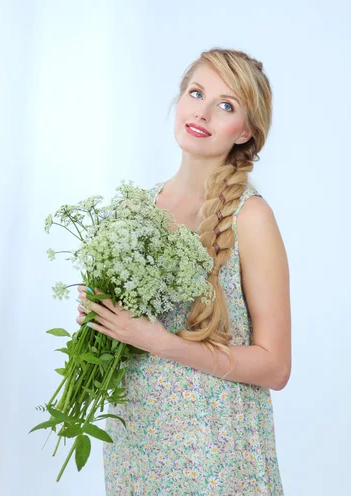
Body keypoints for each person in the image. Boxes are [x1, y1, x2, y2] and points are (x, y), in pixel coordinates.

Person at [76, 47, 291, 495]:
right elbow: (125, 331)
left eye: (226, 106)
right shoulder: (136, 208)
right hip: (136, 441)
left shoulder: (249, 218)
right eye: (196, 93)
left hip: (215, 453)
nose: (204, 112)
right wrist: (100, 320)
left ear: (246, 132)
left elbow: (275, 367)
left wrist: (160, 342)